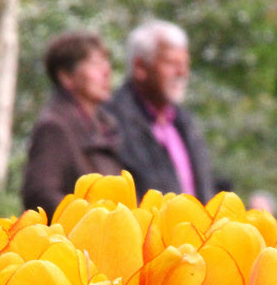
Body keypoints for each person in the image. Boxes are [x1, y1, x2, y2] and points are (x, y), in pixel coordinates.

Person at [104, 20, 214, 203]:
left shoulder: (183, 121)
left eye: (185, 63)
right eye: (171, 63)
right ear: (140, 67)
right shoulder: (111, 121)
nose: (182, 72)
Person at [21, 30, 123, 219]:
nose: (106, 71)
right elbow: (40, 194)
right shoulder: (54, 127)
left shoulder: (107, 126)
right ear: (66, 77)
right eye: (95, 63)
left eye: (105, 62)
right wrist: (90, 221)